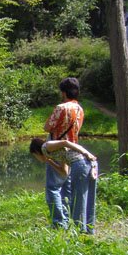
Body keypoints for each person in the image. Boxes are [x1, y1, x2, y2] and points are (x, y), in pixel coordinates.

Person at [30, 138, 98, 234]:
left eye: (35, 156)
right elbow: (64, 172)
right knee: (89, 197)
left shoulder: (46, 146)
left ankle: (79, 230)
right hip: (90, 163)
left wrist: (85, 152)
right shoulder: (57, 154)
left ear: (36, 152)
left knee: (78, 199)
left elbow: (65, 142)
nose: (37, 158)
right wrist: (49, 161)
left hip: (80, 164)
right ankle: (90, 230)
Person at [43, 77, 84, 228]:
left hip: (57, 149)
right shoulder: (80, 109)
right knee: (66, 187)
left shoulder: (61, 108)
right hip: (73, 150)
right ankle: (66, 220)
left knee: (53, 187)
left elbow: (47, 127)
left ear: (63, 92)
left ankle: (58, 223)